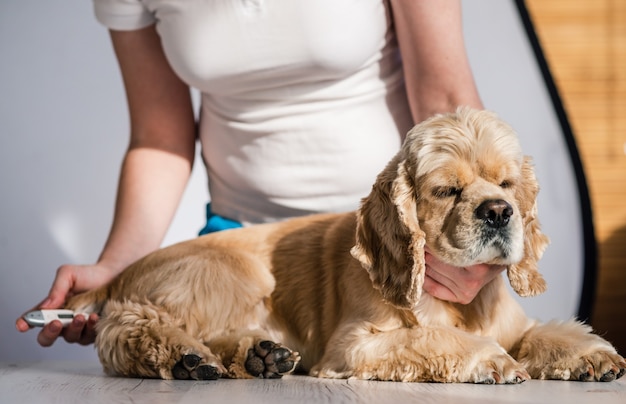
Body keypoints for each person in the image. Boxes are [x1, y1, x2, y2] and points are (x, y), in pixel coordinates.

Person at [16, 0, 504, 346]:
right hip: (241, 252)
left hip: (383, 251)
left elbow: (445, 102)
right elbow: (159, 138)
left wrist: (473, 239)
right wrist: (117, 268)